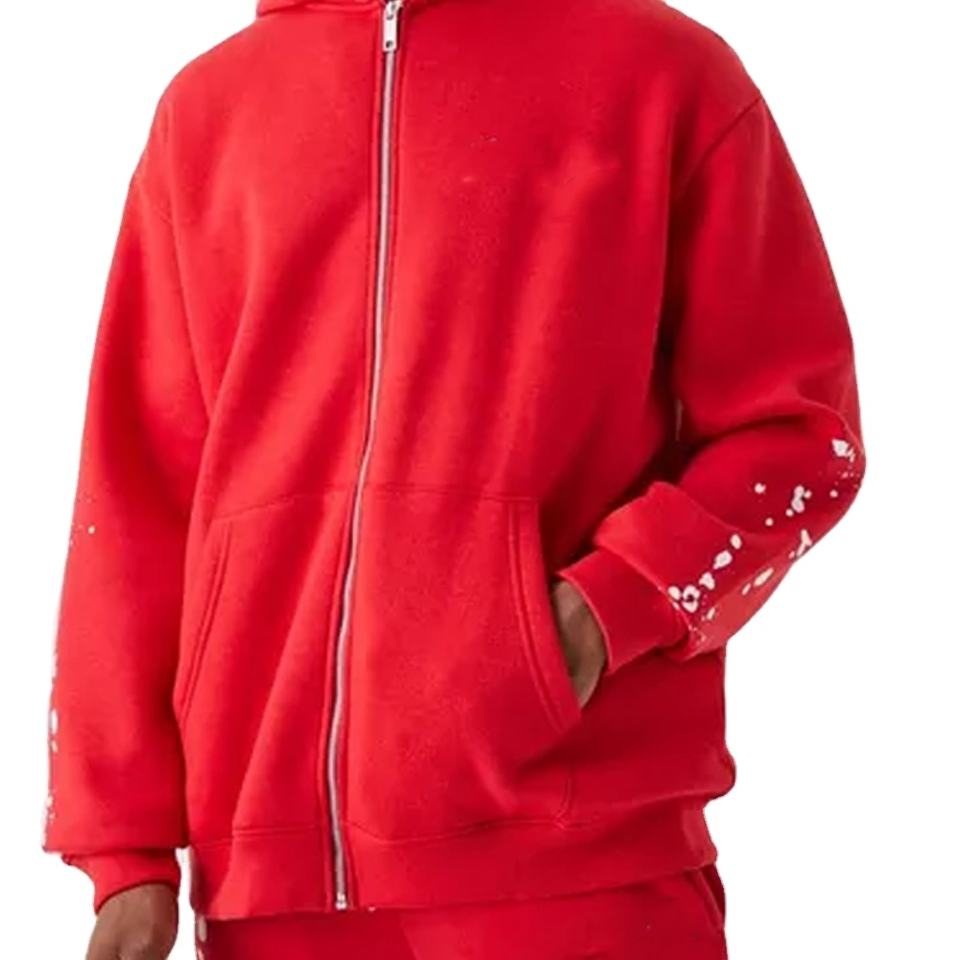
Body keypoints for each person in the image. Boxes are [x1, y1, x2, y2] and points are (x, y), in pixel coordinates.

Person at [42, 0, 866, 957]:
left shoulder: (663, 74)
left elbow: (800, 436)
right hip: (268, 888)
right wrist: (126, 854)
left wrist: (601, 613)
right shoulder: (206, 112)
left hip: (575, 855)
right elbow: (136, 496)